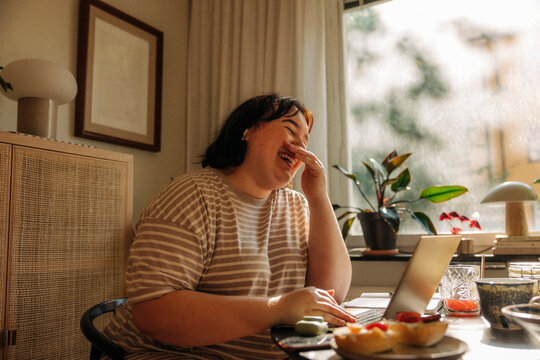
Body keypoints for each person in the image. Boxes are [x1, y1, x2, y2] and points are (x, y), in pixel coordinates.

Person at [104, 94, 354, 359]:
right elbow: (155, 314)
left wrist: (318, 197)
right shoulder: (192, 195)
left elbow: (331, 295)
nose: (300, 147)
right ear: (246, 130)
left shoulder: (297, 206)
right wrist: (278, 308)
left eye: (305, 140)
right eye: (290, 130)